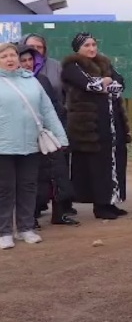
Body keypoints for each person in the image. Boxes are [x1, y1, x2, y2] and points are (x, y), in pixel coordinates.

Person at [0, 42, 68, 250]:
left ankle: (26, 228)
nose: (10, 59)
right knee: (5, 189)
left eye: (13, 55)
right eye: (4, 56)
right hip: (3, 147)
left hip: (30, 144)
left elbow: (47, 110)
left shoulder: (31, 81)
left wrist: (61, 137)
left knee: (29, 186)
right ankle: (3, 232)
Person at [62, 32, 130, 220]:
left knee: (114, 162)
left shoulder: (105, 63)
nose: (91, 49)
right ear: (78, 48)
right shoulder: (71, 66)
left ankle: (111, 201)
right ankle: (100, 205)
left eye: (93, 44)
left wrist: (106, 84)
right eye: (86, 46)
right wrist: (104, 84)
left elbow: (120, 83)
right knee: (97, 166)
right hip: (90, 126)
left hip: (112, 123)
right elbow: (90, 84)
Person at [18, 46, 78, 228]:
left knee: (57, 173)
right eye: (23, 60)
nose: (28, 64)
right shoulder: (11, 84)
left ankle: (59, 214)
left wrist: (60, 131)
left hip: (49, 134)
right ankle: (31, 217)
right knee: (33, 178)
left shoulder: (42, 80)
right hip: (26, 135)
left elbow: (53, 106)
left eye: (30, 60)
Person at [21, 33, 65, 102]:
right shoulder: (15, 68)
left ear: (44, 49)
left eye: (39, 47)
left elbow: (68, 92)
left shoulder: (57, 66)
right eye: (31, 46)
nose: (35, 50)